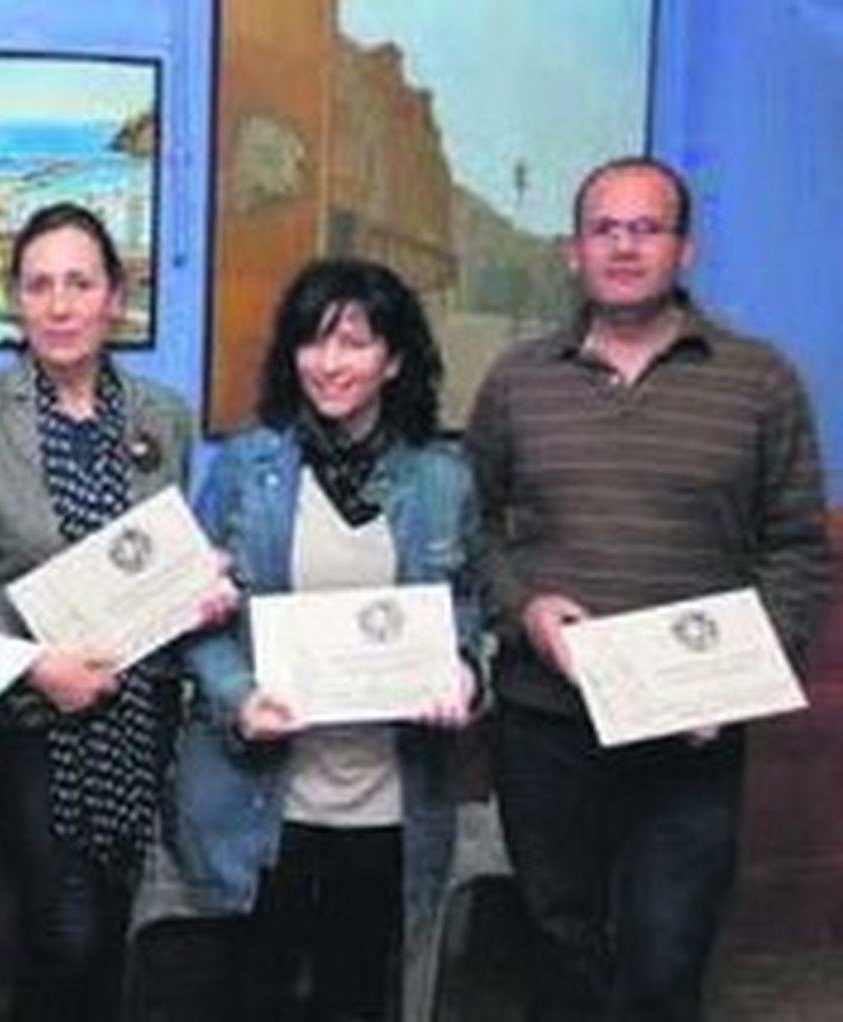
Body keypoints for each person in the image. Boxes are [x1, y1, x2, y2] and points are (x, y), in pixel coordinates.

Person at [465, 155, 830, 1022]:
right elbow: (470, 533)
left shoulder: (759, 382)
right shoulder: (518, 381)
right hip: (547, 720)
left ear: (686, 248)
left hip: (690, 732)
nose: (624, 247)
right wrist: (526, 608)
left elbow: (793, 551)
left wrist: (741, 674)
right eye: (605, 229)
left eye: (647, 228)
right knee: (559, 944)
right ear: (572, 251)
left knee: (668, 953)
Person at [167, 258, 484, 1021]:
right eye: (314, 343)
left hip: (388, 797)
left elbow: (468, 615)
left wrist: (466, 676)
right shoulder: (246, 470)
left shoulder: (444, 480)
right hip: (261, 796)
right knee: (255, 994)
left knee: (355, 994)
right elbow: (194, 618)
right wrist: (239, 700)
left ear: (395, 359)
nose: (331, 364)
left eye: (356, 343)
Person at [0, 201, 219, 1021]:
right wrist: (34, 664)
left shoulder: (162, 415)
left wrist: (203, 590)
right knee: (59, 933)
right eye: (39, 285)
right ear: (15, 300)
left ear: (114, 298)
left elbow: (166, 558)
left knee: (113, 920)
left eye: (79, 283)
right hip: (27, 719)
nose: (58, 305)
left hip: (137, 714)